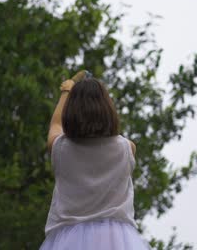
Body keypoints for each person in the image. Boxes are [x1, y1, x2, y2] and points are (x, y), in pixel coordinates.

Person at [39, 74, 151, 250]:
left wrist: (66, 92)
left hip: (68, 239)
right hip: (118, 239)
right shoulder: (126, 148)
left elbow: (55, 126)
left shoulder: (61, 148)